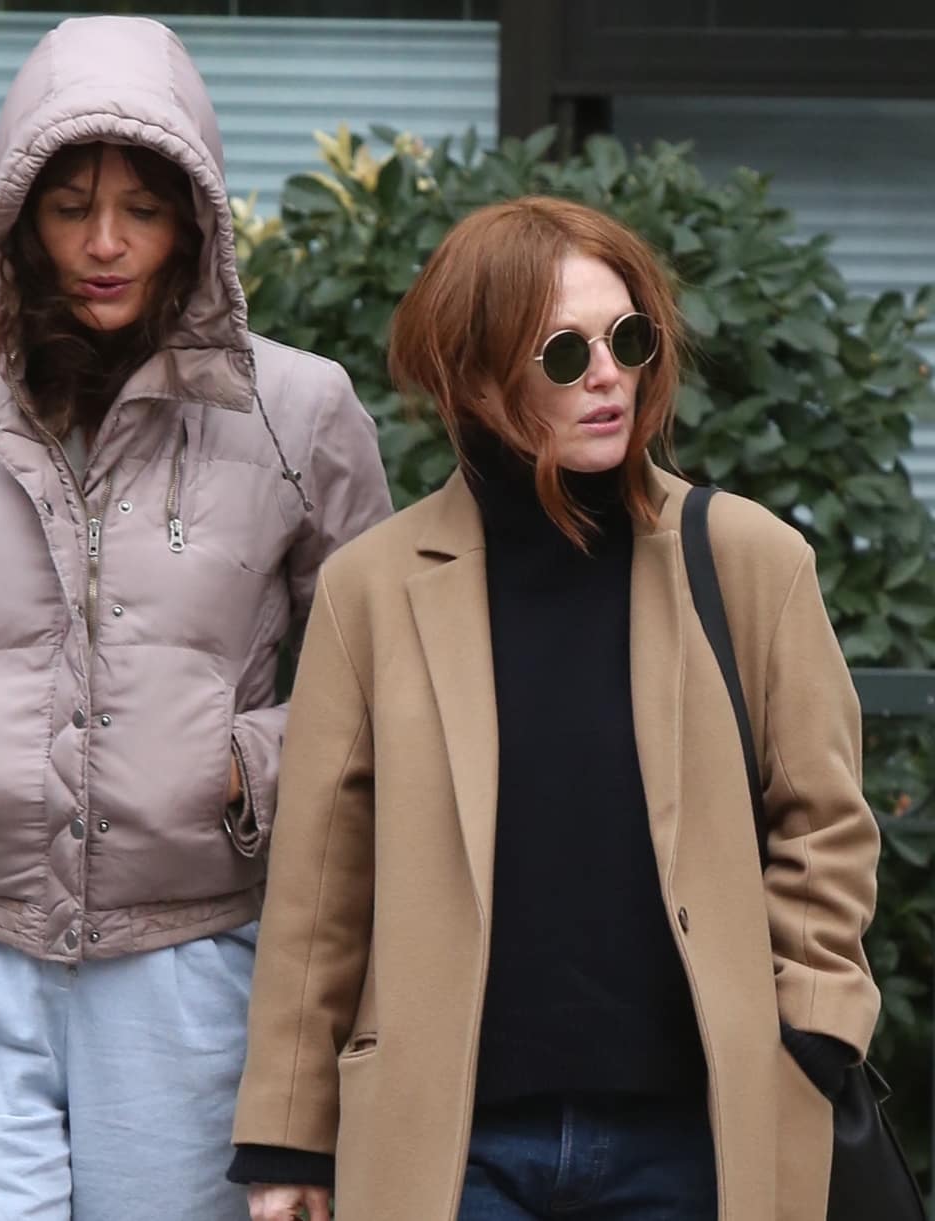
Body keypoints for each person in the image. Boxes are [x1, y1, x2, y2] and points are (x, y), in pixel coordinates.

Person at [0, 15, 391, 1220]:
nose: (106, 244)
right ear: (19, 217)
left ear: (198, 220)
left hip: (196, 966)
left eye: (144, 209)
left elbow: (374, 669)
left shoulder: (301, 409)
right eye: (69, 207)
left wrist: (242, 771)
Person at [227, 196, 881, 1221]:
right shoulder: (375, 588)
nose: (609, 373)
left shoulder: (749, 561)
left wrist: (812, 1023)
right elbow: (320, 883)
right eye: (564, 354)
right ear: (475, 374)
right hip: (453, 1148)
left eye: (627, 338)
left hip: (695, 1136)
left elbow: (827, 819)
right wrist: (288, 1138)